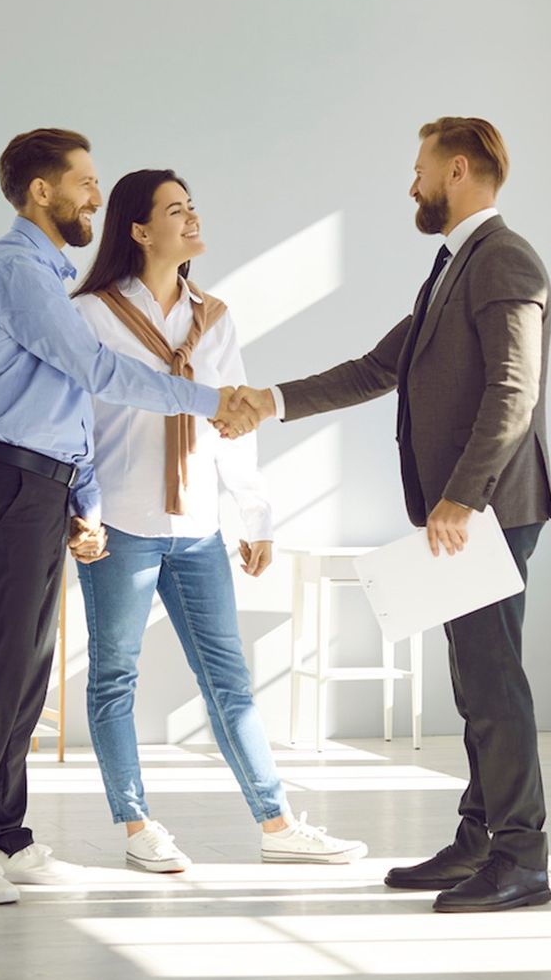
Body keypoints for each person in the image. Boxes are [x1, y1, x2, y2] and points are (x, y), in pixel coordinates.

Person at [0, 130, 257, 906]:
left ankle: (5, 835)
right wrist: (210, 401)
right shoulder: (16, 270)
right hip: (4, 481)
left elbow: (67, 408)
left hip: (40, 485)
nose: (95, 198)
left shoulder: (45, 271)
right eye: (84, 183)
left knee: (30, 672)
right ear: (42, 192)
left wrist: (82, 499)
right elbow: (94, 371)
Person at [234, 117, 551, 913]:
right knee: (474, 679)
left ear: (456, 170)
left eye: (418, 170)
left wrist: (462, 495)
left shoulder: (504, 258)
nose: (410, 185)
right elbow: (381, 367)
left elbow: (514, 390)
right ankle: (480, 841)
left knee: (493, 683)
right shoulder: (454, 267)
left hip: (488, 509)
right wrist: (269, 403)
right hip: (464, 512)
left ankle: (523, 858)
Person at [70, 169, 367, 871]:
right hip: (122, 522)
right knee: (115, 676)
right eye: (177, 210)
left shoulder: (216, 318)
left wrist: (255, 513)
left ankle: (278, 822)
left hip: (198, 524)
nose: (193, 218)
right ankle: (139, 826)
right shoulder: (92, 315)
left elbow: (234, 418)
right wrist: (79, 513)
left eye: (193, 206)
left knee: (228, 681)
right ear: (139, 231)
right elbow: (75, 425)